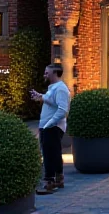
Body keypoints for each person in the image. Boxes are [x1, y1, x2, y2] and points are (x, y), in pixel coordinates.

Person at [31, 63, 71, 195]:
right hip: (50, 126)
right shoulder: (55, 88)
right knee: (54, 153)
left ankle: (49, 182)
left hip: (52, 127)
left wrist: (49, 124)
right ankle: (58, 179)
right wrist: (41, 97)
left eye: (47, 73)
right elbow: (53, 101)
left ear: (55, 74)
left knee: (48, 154)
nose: (45, 74)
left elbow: (62, 110)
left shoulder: (60, 89)